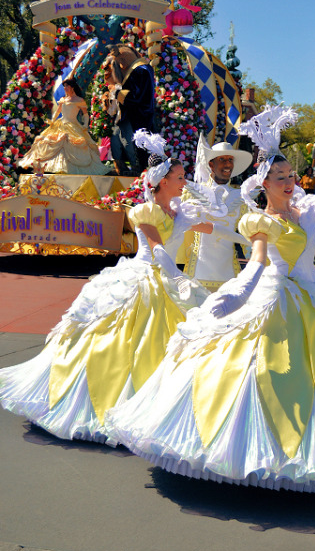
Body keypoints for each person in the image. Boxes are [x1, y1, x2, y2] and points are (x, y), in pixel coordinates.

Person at [106, 106, 315, 494]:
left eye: (290, 175)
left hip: (310, 296)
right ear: (264, 182)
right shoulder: (259, 221)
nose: (289, 181)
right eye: (280, 177)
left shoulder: (302, 214)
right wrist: (242, 291)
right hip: (270, 294)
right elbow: (258, 260)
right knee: (260, 367)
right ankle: (248, 446)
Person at [0, 130, 221, 444]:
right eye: (181, 176)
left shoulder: (178, 210)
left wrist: (222, 215)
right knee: (124, 341)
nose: (185, 181)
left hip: (166, 277)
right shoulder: (144, 211)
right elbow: (157, 248)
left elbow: (211, 228)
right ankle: (110, 403)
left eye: (185, 176)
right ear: (163, 181)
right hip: (147, 276)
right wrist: (179, 277)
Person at [183, 135, 254, 291]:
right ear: (211, 164)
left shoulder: (241, 198)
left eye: (230, 160)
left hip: (229, 277)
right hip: (197, 274)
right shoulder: (192, 193)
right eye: (222, 160)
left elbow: (249, 236)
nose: (228, 164)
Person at [18, 78, 108, 175]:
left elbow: (85, 115)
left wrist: (85, 125)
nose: (65, 88)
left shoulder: (79, 100)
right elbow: (58, 111)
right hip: (60, 124)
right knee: (47, 140)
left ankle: (69, 169)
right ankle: (48, 167)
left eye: (67, 86)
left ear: (72, 87)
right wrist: (52, 120)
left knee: (71, 142)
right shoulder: (63, 99)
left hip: (73, 125)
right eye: (64, 86)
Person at [104, 44, 156, 175]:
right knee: (116, 142)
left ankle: (139, 170)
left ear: (122, 61)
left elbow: (135, 98)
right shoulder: (136, 71)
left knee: (132, 145)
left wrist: (117, 93)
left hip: (139, 117)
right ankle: (123, 169)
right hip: (128, 117)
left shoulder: (141, 70)